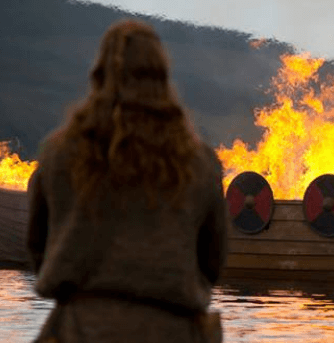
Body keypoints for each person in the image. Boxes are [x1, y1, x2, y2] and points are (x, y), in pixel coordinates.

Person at [26, 19, 226, 342]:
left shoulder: (58, 154)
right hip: (172, 332)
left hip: (81, 330)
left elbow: (38, 248)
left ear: (101, 73)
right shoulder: (201, 164)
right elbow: (213, 261)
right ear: (161, 74)